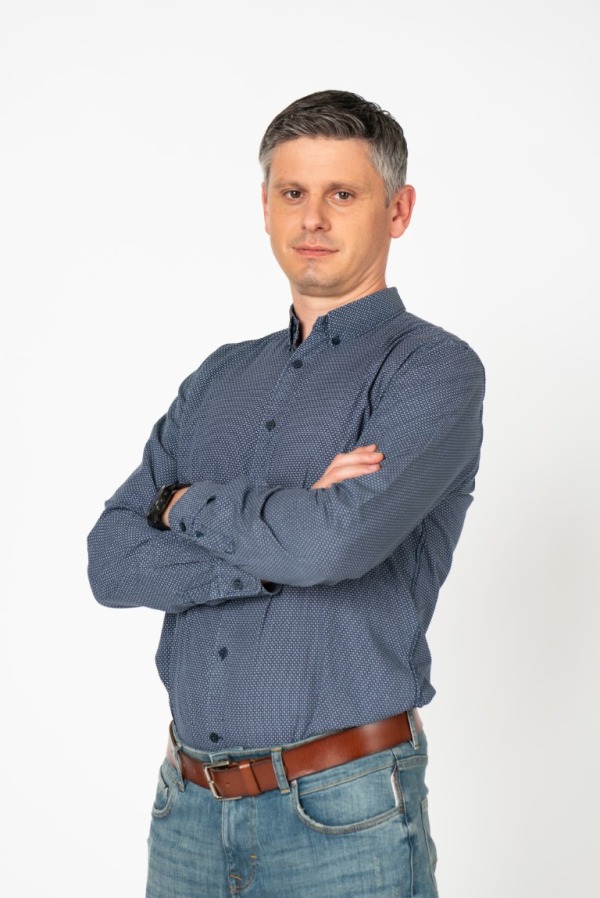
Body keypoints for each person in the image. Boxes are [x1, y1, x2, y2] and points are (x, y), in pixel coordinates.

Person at [88, 89, 485, 897]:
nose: (313, 218)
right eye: (293, 192)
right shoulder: (218, 377)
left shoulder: (431, 369)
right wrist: (286, 528)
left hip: (344, 814)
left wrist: (183, 504)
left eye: (343, 194)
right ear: (265, 206)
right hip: (187, 809)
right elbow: (112, 562)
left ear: (398, 210)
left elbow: (327, 546)